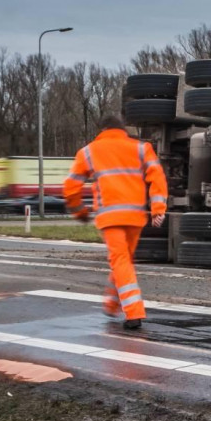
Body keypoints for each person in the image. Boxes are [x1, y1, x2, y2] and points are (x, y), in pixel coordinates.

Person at [63, 113, 168, 330]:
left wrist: (79, 211)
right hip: (135, 216)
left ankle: (134, 312)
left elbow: (71, 186)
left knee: (120, 261)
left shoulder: (89, 151)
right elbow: (157, 176)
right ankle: (112, 303)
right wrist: (158, 207)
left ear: (101, 131)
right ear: (123, 129)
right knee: (123, 261)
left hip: (110, 216)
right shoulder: (141, 148)